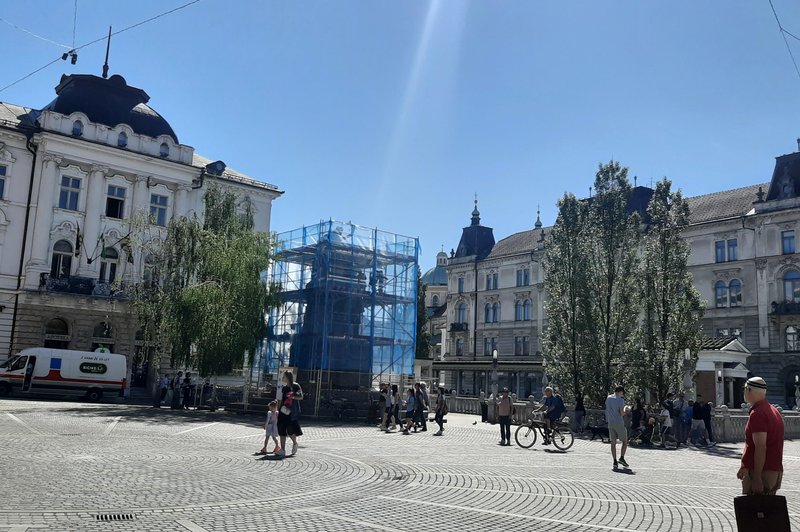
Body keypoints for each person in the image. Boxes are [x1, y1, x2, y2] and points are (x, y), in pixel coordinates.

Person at [737, 377, 784, 496]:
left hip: (762, 471)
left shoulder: (757, 414)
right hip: (773, 469)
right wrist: (744, 465)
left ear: (749, 390)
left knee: (753, 512)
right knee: (767, 511)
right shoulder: (773, 411)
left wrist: (757, 477)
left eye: (744, 389)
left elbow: (760, 446)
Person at [275, 370, 303, 457]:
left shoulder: (295, 385)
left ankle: (295, 443)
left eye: (283, 376)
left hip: (291, 412)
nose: (282, 378)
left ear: (287, 377)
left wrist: (293, 396)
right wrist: (277, 410)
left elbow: (301, 396)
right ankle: (282, 450)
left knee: (290, 430)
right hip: (283, 411)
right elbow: (281, 400)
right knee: (281, 429)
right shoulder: (283, 387)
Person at [605, 385, 629, 471]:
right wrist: (626, 408)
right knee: (625, 441)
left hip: (610, 422)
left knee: (613, 442)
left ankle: (614, 461)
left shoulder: (608, 398)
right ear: (620, 392)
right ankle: (622, 457)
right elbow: (622, 413)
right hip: (619, 422)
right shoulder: (620, 400)